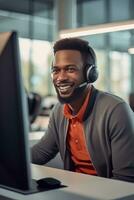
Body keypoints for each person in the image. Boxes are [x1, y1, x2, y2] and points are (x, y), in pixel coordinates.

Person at [31, 37, 134, 182]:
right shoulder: (59, 110)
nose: (60, 78)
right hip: (75, 191)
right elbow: (41, 152)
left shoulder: (116, 111)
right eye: (56, 70)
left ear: (90, 74)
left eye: (70, 69)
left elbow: (125, 180)